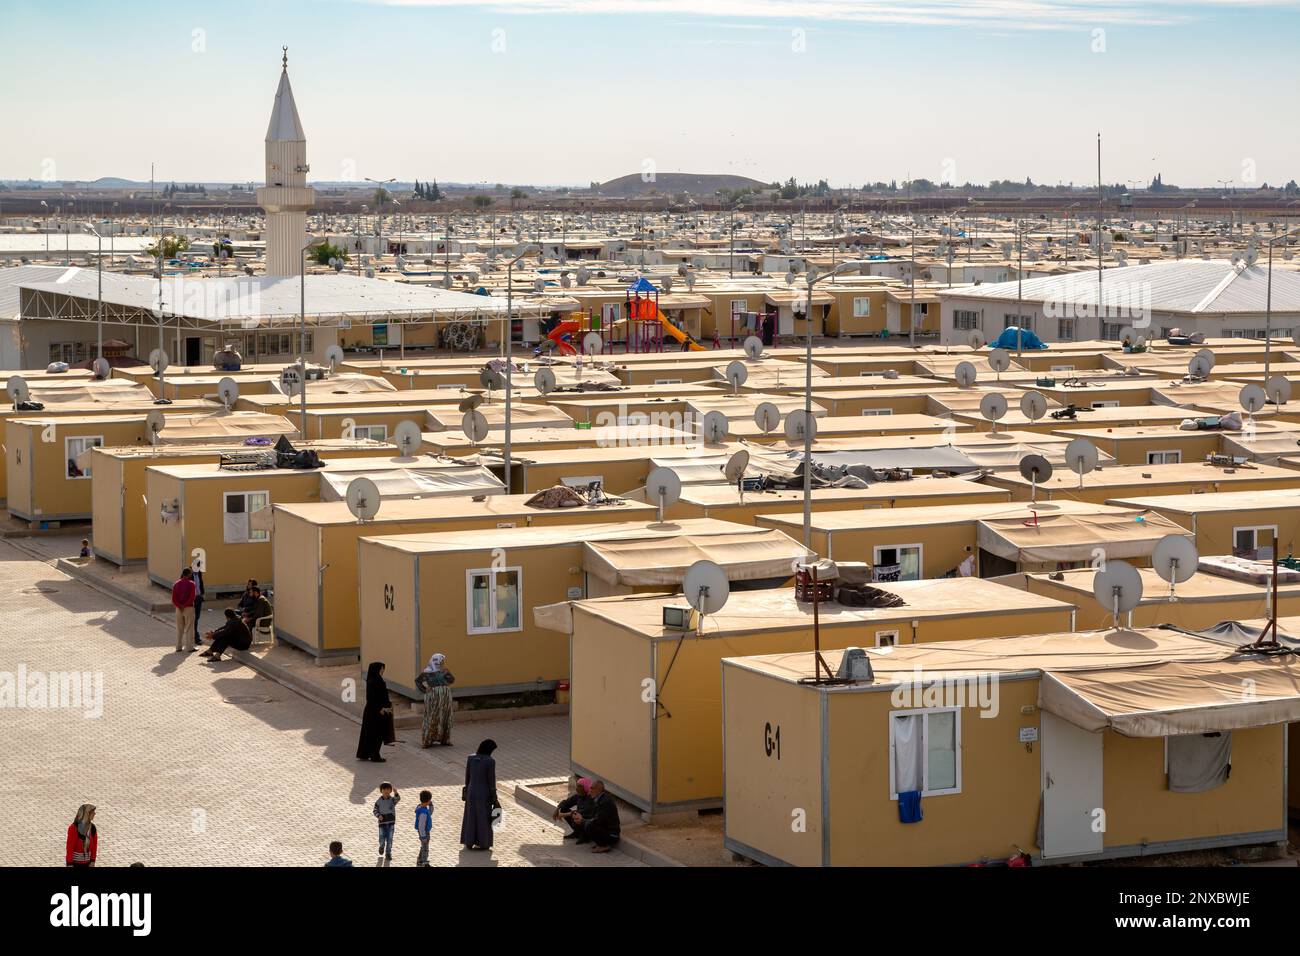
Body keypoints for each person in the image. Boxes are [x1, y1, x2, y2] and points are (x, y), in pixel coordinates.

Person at [460, 739, 500, 851]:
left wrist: (467, 790)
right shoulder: (490, 761)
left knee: (470, 817)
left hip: (471, 792)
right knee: (483, 818)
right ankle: (483, 843)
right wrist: (494, 795)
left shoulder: (471, 758)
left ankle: (469, 841)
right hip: (484, 793)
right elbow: (491, 781)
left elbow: (467, 777)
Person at [356, 662, 394, 762]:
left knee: (369, 734)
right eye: (381, 669)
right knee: (377, 734)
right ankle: (374, 755)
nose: (382, 671)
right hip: (375, 712)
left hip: (371, 712)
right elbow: (371, 698)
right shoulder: (375, 681)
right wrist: (380, 709)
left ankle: (364, 753)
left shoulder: (374, 680)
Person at [415, 653, 455, 748]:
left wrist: (447, 673)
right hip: (433, 696)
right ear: (435, 661)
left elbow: (452, 680)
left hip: (445, 696)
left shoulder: (443, 671)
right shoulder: (427, 673)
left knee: (445, 716)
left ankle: (444, 739)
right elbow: (417, 681)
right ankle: (428, 740)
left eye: (442, 662)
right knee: (432, 716)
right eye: (440, 662)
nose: (442, 663)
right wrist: (425, 690)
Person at [573, 779, 620, 853]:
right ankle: (600, 843)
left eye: (592, 788)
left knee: (589, 825)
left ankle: (604, 845)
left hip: (612, 835)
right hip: (605, 829)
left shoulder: (605, 802)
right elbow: (593, 816)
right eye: (590, 788)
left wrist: (582, 820)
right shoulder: (598, 799)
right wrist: (581, 818)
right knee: (586, 822)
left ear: (599, 790)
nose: (590, 790)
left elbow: (597, 820)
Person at [373, 782, 400, 865]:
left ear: (390, 791)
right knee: (382, 837)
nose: (386, 791)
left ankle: (388, 853)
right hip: (382, 824)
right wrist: (379, 816)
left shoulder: (392, 800)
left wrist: (396, 793)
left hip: (391, 824)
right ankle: (381, 846)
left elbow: (397, 799)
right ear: (381, 791)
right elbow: (374, 810)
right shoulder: (379, 801)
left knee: (390, 839)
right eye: (384, 789)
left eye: (388, 789)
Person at [171, 568, 197, 653]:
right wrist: (185, 605)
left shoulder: (176, 584)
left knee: (179, 628)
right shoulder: (192, 584)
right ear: (189, 574)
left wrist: (179, 606)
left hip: (178, 609)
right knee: (189, 628)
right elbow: (192, 597)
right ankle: (189, 647)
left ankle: (178, 647)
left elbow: (173, 598)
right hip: (188, 608)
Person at [414, 790, 433, 867]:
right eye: (430, 801)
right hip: (424, 832)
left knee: (423, 846)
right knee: (425, 848)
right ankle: (424, 862)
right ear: (428, 801)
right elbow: (421, 826)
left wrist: (431, 804)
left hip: (424, 832)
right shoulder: (423, 813)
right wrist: (423, 836)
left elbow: (430, 812)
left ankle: (420, 860)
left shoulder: (421, 807)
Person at [192, 563, 206, 646]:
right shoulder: (188, 573)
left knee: (196, 618)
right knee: (193, 619)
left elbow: (201, 583)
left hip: (198, 598)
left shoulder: (199, 573)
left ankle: (194, 636)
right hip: (192, 600)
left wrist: (202, 594)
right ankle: (196, 638)